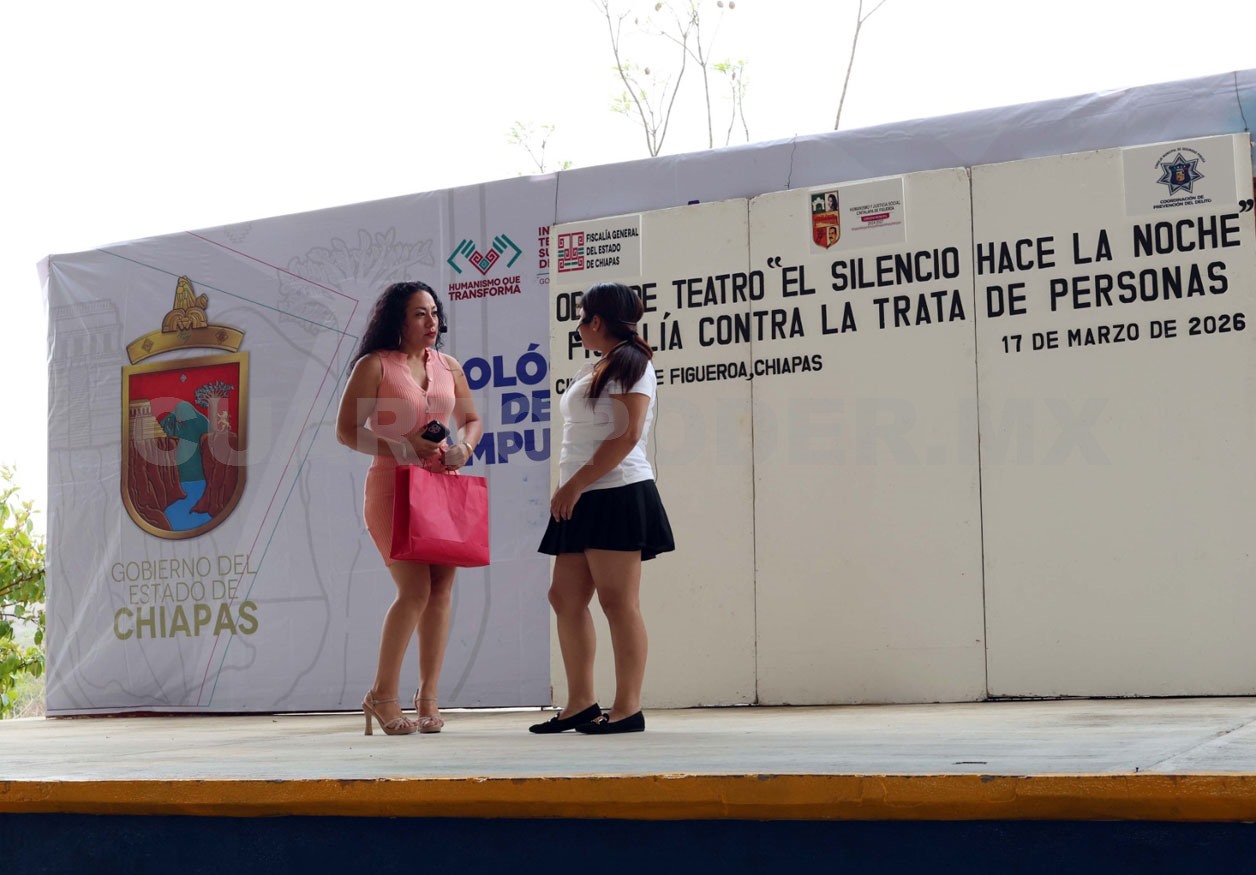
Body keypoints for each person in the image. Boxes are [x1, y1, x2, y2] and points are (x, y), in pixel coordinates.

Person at [336, 281, 482, 736]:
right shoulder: (374, 365)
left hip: (441, 485)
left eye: (434, 312)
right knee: (414, 590)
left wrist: (465, 448)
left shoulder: (449, 366)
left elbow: (472, 420)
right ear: (397, 318)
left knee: (440, 589)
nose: (431, 321)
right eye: (420, 313)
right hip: (391, 487)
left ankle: (428, 697)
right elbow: (346, 431)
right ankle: (382, 694)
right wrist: (403, 447)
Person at [531, 282, 674, 736]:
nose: (578, 327)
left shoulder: (634, 365)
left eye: (581, 318)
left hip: (616, 493)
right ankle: (580, 703)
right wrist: (571, 486)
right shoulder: (601, 364)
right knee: (565, 597)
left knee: (617, 602)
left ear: (596, 320)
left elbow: (626, 436)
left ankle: (628, 707)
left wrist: (574, 484)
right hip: (584, 495)